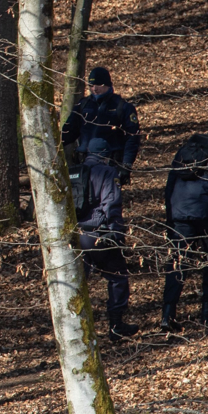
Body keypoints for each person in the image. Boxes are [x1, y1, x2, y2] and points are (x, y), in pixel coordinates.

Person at [74, 137, 138, 341]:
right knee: (118, 277)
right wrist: (117, 234)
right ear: (106, 155)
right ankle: (116, 325)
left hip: (76, 237)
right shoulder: (107, 172)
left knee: (77, 283)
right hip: (98, 236)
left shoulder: (72, 172)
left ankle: (75, 330)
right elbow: (111, 204)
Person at [160, 120, 208, 330]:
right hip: (207, 212)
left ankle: (168, 315)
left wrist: (170, 218)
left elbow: (170, 184)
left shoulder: (188, 147)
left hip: (180, 211)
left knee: (178, 261)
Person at [61, 66, 141, 183]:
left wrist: (126, 165)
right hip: (84, 163)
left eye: (98, 85)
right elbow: (68, 132)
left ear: (107, 85)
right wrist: (53, 148)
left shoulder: (122, 107)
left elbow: (132, 138)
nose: (94, 89)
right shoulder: (83, 105)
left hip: (109, 164)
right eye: (91, 86)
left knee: (107, 198)